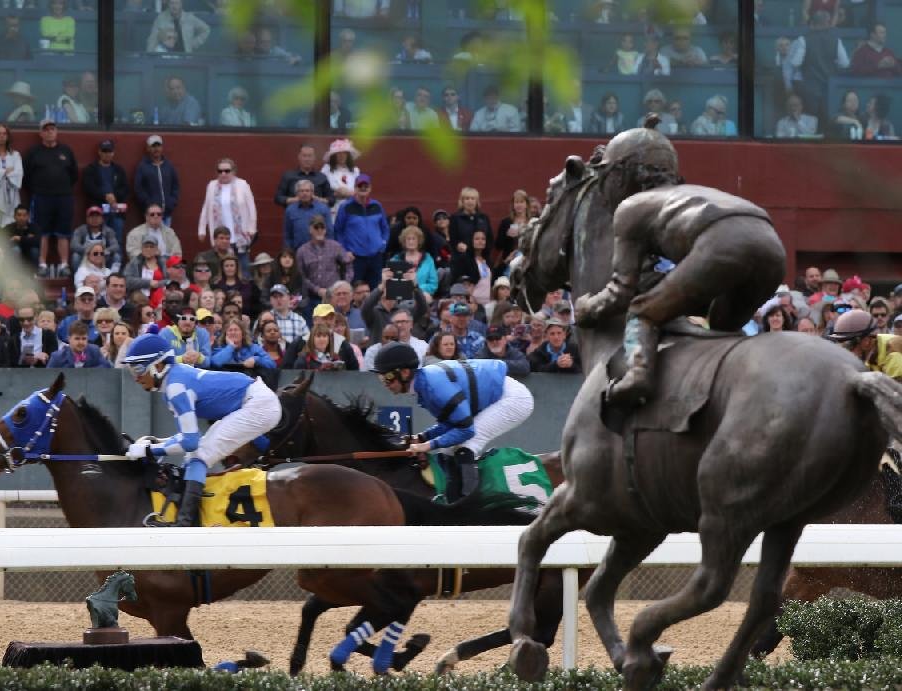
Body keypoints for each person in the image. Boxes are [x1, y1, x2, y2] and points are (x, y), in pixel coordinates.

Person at [574, 121, 786, 406]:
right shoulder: (689, 193)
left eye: (605, 178)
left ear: (621, 174)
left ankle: (638, 376)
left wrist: (587, 309)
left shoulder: (631, 208)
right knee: (722, 325)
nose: (604, 189)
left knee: (643, 311)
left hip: (721, 242)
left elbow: (622, 292)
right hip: (770, 245)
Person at [122, 323, 282, 527]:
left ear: (158, 365)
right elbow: (187, 438)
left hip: (258, 404)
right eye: (130, 370)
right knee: (193, 457)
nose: (135, 377)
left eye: (137, 369)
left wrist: (149, 449)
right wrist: (159, 443)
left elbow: (190, 441)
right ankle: (186, 517)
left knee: (199, 455)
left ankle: (185, 524)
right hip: (254, 401)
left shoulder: (176, 387)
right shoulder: (174, 380)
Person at [371, 342, 535, 501]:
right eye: (381, 378)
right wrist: (422, 437)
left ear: (405, 373)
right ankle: (451, 499)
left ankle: (468, 506)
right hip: (496, 395)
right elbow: (452, 423)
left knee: (466, 445)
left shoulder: (434, 387)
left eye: (388, 377)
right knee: (447, 450)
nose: (385, 383)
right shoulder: (424, 384)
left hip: (513, 398)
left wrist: (427, 445)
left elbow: (466, 429)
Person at [24, 119, 78, 277]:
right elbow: (26, 176)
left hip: (64, 197)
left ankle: (64, 265)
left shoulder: (66, 151)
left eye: (52, 129)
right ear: (40, 133)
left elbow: (74, 174)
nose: (49, 132)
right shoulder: (34, 152)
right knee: (42, 232)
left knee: (63, 233)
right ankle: (42, 264)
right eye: (46, 130)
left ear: (56, 132)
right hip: (41, 197)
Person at [197, 158, 257, 277]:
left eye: (227, 170)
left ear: (233, 171)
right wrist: (202, 229)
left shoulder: (242, 184)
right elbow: (206, 207)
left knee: (243, 268)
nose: (223, 174)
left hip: (240, 236)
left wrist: (252, 228)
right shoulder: (212, 186)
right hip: (221, 237)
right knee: (222, 270)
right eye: (220, 171)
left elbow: (251, 208)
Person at [332, 173, 390, 292]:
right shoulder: (346, 207)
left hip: (375, 257)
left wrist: (382, 244)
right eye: (360, 186)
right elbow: (338, 230)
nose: (363, 188)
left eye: (366, 186)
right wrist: (345, 251)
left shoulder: (377, 206)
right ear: (355, 188)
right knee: (355, 290)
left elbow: (385, 228)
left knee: (376, 290)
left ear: (370, 188)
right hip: (355, 258)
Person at [297, 214, 353, 311]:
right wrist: (317, 290)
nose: (319, 230)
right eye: (316, 227)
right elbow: (300, 276)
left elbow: (348, 266)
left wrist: (342, 286)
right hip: (312, 298)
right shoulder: (302, 251)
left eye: (322, 227)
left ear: (325, 230)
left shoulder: (336, 246)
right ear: (310, 230)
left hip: (335, 297)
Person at [826, 309, 902, 380]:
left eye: (848, 346)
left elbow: (894, 392)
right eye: (841, 346)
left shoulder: (894, 355)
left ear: (866, 341)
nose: (845, 352)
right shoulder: (870, 353)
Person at [81, 139, 129, 250]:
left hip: (116, 212)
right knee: (97, 242)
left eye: (109, 151)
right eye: (104, 151)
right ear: (99, 152)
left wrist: (114, 196)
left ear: (113, 153)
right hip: (97, 212)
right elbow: (88, 188)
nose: (107, 154)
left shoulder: (119, 170)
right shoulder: (91, 169)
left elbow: (125, 188)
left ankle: (116, 265)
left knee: (117, 241)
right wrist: (105, 196)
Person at [134, 135, 180, 225]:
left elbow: (175, 186)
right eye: (153, 146)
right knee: (153, 238)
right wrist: (149, 205)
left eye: (158, 146)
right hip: (151, 214)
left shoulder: (169, 166)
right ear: (148, 148)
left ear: (162, 148)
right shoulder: (142, 167)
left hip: (167, 214)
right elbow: (138, 189)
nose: (156, 149)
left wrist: (172, 202)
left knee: (165, 238)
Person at [274, 143, 332, 207]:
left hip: (317, 215)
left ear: (314, 158)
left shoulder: (322, 177)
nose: (307, 159)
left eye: (310, 156)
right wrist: (295, 199)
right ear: (299, 157)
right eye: (304, 156)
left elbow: (332, 200)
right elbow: (278, 198)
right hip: (294, 215)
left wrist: (317, 199)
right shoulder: (288, 176)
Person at [284, 179, 332, 251]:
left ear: (312, 192)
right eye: (301, 191)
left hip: (319, 251)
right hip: (297, 251)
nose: (304, 193)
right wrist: (289, 251)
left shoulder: (323, 209)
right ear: (297, 194)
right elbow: (288, 234)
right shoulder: (290, 210)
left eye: (307, 191)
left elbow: (329, 232)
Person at [146, 0, 210, 54]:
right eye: (172, 3)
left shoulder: (189, 17)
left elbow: (206, 29)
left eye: (177, 3)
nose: (174, 6)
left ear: (181, 4)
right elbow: (153, 39)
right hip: (167, 57)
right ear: (168, 4)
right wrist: (150, 57)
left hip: (186, 57)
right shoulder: (161, 18)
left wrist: (193, 44)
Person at [320, 138, 361, 220]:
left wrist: (349, 193)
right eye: (339, 154)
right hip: (333, 209)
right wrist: (335, 194)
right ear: (334, 156)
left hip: (352, 208)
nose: (342, 156)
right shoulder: (326, 170)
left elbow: (361, 190)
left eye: (344, 153)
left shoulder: (355, 171)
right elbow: (321, 191)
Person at [71, 206, 121, 271]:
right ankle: (79, 278)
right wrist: (89, 252)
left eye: (97, 216)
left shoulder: (109, 231)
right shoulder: (80, 230)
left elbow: (115, 246)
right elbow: (74, 244)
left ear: (102, 219)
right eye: (91, 216)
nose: (94, 219)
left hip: (103, 258)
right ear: (87, 219)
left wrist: (102, 252)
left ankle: (112, 277)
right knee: (75, 256)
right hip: (86, 258)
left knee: (116, 256)